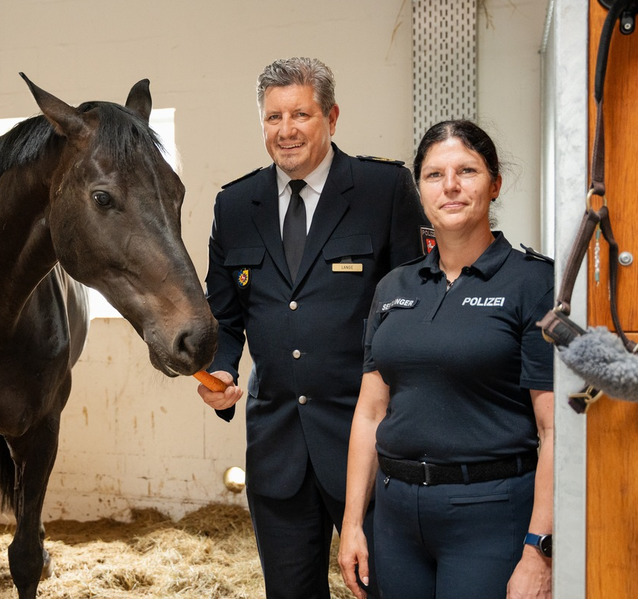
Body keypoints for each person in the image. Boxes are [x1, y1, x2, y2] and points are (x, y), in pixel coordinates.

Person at [196, 57, 428, 599]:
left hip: (369, 447)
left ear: (331, 116)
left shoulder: (382, 188)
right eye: (273, 117)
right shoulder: (234, 205)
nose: (286, 130)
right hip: (276, 449)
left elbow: (419, 303)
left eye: (300, 114)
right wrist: (223, 369)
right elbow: (224, 316)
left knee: (384, 589)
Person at [338, 120, 554, 599]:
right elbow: (371, 411)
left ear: (494, 184)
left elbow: (554, 428)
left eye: (467, 171)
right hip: (396, 520)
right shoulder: (394, 287)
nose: (450, 186)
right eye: (435, 175)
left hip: (490, 515)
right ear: (420, 190)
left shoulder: (532, 282)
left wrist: (539, 550)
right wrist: (353, 524)